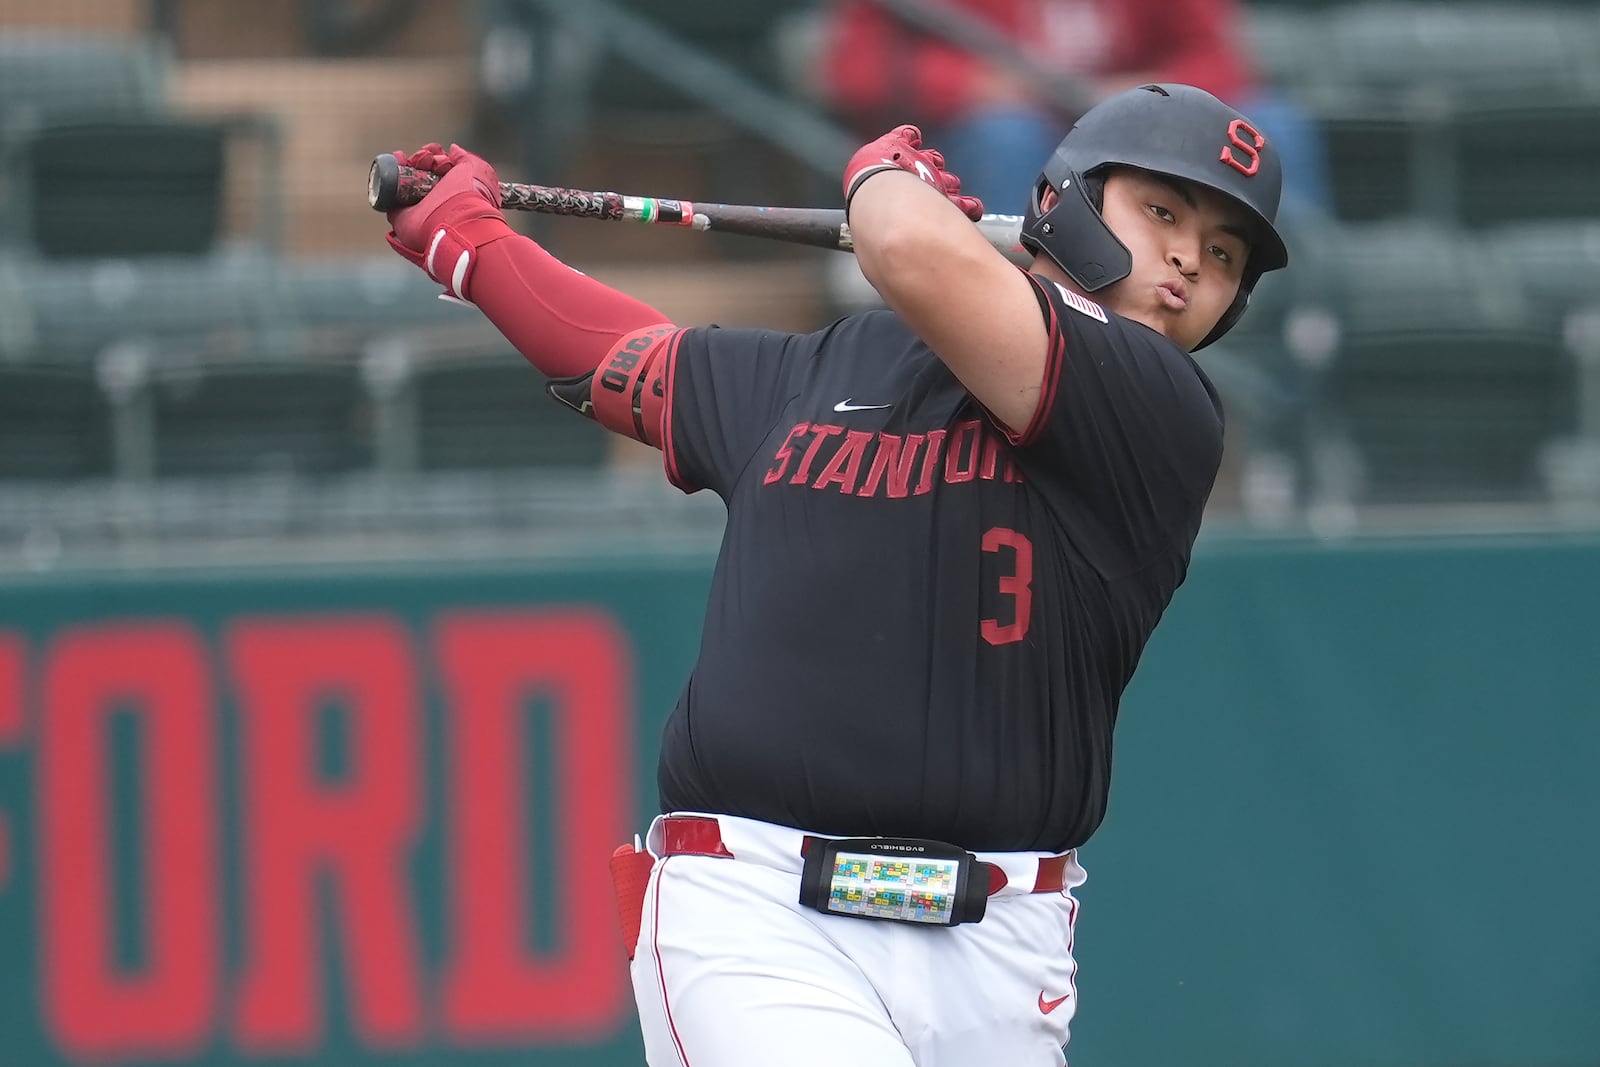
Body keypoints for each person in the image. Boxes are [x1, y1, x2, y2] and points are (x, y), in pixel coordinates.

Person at [382, 82, 1288, 1067]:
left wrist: (883, 176)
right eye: (1161, 211)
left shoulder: (1160, 409)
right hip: (757, 915)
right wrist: (466, 241)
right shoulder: (825, 368)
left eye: (1224, 252)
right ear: (1065, 197)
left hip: (1000, 948)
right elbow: (624, 359)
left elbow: (900, 245)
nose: (1189, 258)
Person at [819, 0, 1328, 216]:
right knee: (1008, 134)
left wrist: (1141, 91)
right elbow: (855, 68)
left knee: (1271, 123)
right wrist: (977, 83)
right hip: (1001, 141)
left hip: (1130, 128)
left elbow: (1223, 58)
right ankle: (1017, 323)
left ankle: (1292, 321)